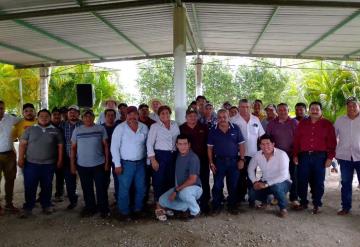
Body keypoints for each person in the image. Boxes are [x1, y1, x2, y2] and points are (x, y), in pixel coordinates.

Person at [18, 109, 64, 218]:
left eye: (46, 116)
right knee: (30, 186)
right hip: (31, 164)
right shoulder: (30, 129)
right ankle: (28, 207)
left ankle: (46, 205)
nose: (44, 118)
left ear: (50, 117)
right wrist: (20, 158)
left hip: (49, 165)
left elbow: (60, 147)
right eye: (41, 116)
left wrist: (60, 160)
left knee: (47, 186)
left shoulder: (56, 131)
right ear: (37, 117)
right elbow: (22, 144)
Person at [293, 101, 336, 214]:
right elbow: (297, 140)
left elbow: (332, 142)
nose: (315, 111)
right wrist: (295, 154)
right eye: (312, 108)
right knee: (301, 180)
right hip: (304, 156)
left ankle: (317, 203)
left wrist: (330, 158)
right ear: (309, 110)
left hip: (320, 157)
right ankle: (303, 202)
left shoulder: (327, 124)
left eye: (317, 109)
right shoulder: (302, 123)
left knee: (318, 181)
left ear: (321, 111)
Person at [111, 106, 148, 220]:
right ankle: (124, 212)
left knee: (141, 188)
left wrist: (147, 162)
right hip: (125, 163)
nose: (132, 116)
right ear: (126, 116)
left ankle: (138, 209)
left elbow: (147, 145)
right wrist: (117, 164)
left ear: (138, 115)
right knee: (124, 188)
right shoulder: (120, 128)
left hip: (141, 163)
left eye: (134, 114)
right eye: (129, 114)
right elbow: (114, 147)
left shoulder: (144, 127)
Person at [70, 109, 110, 218]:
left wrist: (107, 162)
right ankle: (90, 208)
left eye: (90, 116)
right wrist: (72, 165)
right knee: (87, 188)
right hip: (82, 165)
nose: (88, 118)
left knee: (101, 188)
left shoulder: (100, 128)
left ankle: (104, 209)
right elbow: (73, 148)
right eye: (85, 116)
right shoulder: (77, 130)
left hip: (99, 164)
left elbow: (106, 146)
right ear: (82, 118)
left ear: (93, 117)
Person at [208, 109, 245, 214]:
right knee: (217, 185)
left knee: (233, 185)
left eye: (224, 117)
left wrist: (242, 159)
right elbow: (209, 148)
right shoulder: (213, 130)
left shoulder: (235, 128)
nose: (222, 119)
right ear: (217, 118)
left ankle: (232, 205)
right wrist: (211, 163)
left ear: (228, 117)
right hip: (218, 161)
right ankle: (216, 205)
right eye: (220, 117)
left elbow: (242, 145)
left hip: (234, 161)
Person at [158, 134, 203, 221]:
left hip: (194, 188)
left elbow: (193, 180)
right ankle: (186, 207)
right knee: (162, 200)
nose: (183, 146)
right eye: (180, 144)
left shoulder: (193, 158)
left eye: (185, 144)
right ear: (177, 145)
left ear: (189, 145)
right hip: (180, 187)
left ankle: (195, 211)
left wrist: (176, 190)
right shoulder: (178, 155)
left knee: (184, 194)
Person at [146, 105, 180, 220]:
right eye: (162, 113)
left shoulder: (175, 125)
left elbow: (178, 140)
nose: (165, 115)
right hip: (160, 156)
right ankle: (159, 207)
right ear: (159, 115)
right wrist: (153, 160)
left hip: (173, 156)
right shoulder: (155, 126)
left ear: (170, 113)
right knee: (158, 181)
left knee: (170, 181)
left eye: (167, 113)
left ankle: (167, 205)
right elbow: (149, 144)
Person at [248, 134, 292, 218]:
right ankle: (265, 202)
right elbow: (250, 169)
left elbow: (284, 175)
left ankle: (283, 208)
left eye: (268, 143)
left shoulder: (282, 154)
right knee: (252, 192)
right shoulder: (257, 155)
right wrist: (255, 182)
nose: (265, 146)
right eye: (263, 144)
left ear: (273, 144)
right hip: (266, 181)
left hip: (283, 182)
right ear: (260, 145)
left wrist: (266, 184)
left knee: (276, 187)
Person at [230, 99, 265, 206]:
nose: (245, 109)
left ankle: (252, 199)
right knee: (238, 177)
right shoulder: (232, 120)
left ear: (250, 107)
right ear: (238, 107)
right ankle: (239, 198)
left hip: (253, 154)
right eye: (242, 107)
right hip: (238, 154)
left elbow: (262, 136)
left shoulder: (255, 119)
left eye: (247, 107)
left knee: (252, 177)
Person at [266, 103, 299, 207]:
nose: (282, 112)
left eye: (284, 110)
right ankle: (277, 196)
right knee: (277, 176)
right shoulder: (271, 124)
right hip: (276, 156)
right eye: (280, 110)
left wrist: (296, 155)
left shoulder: (294, 123)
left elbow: (299, 140)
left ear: (288, 110)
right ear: (277, 111)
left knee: (293, 176)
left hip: (291, 154)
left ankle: (294, 198)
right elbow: (268, 139)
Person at [180, 108, 210, 213]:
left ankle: (205, 204)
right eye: (190, 116)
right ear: (186, 117)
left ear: (197, 117)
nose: (192, 118)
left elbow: (209, 145)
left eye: (194, 116)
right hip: (187, 160)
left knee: (204, 181)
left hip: (203, 159)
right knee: (189, 181)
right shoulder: (181, 128)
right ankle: (190, 205)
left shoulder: (204, 127)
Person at [334, 97, 360, 215]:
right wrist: (334, 151)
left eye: (354, 105)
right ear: (346, 108)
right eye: (349, 106)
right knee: (345, 183)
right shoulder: (340, 120)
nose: (352, 108)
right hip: (344, 157)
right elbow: (333, 137)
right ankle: (346, 207)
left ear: (358, 106)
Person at [59, 105, 82, 209]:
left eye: (75, 112)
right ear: (67, 114)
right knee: (69, 181)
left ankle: (89, 201)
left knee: (86, 180)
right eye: (70, 112)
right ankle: (73, 200)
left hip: (83, 158)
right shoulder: (62, 125)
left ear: (79, 114)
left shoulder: (84, 124)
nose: (73, 114)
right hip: (67, 158)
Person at [0, 100, 20, 215]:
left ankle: (9, 204)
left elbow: (25, 120)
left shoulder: (10, 118)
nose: (0, 110)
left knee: (10, 180)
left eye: (2, 108)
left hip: (9, 155)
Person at [138, 103, 156, 203]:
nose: (144, 111)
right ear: (138, 111)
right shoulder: (136, 123)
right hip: (140, 156)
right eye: (142, 110)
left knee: (155, 179)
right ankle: (143, 202)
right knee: (143, 181)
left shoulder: (153, 123)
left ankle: (157, 202)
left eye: (146, 110)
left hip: (152, 156)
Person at [102, 109, 120, 204]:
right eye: (108, 115)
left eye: (112, 115)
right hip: (104, 157)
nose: (110, 117)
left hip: (116, 157)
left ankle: (118, 197)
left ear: (115, 116)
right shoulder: (100, 128)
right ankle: (103, 199)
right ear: (105, 117)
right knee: (104, 178)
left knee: (117, 178)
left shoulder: (119, 127)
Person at [51, 107, 65, 202]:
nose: (57, 117)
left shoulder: (64, 126)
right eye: (54, 115)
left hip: (61, 155)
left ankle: (59, 194)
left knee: (60, 176)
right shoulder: (46, 126)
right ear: (51, 116)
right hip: (49, 156)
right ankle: (43, 195)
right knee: (46, 177)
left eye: (58, 115)